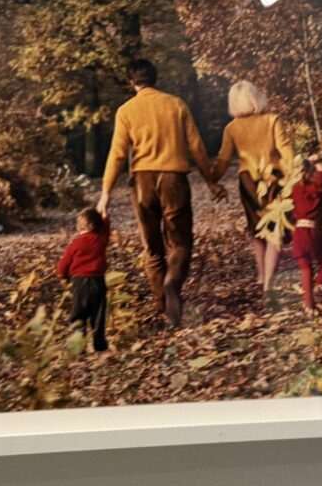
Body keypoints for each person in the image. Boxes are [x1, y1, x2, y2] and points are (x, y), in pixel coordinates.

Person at [97, 59, 224, 328]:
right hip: (174, 179)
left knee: (152, 247)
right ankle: (172, 283)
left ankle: (162, 304)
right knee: (180, 242)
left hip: (142, 182)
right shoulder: (176, 104)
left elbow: (117, 154)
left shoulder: (126, 110)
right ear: (155, 78)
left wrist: (106, 192)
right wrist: (210, 181)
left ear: (132, 82)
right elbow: (196, 147)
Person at [211, 80, 295, 293]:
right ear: (256, 97)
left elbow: (223, 160)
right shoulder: (272, 120)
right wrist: (293, 173)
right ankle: (268, 283)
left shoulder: (232, 128)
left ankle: (260, 275)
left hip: (247, 181)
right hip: (273, 178)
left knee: (256, 230)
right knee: (275, 230)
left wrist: (212, 179)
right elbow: (285, 150)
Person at [57, 207, 111, 351]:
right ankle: (99, 344)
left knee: (79, 313)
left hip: (80, 282)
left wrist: (63, 276)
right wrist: (105, 216)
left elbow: (64, 263)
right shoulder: (100, 240)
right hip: (98, 282)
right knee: (98, 314)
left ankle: (79, 344)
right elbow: (106, 231)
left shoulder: (75, 244)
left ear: (78, 227)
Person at [291, 154, 322, 313]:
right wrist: (319, 162)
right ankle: (319, 284)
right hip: (313, 231)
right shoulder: (313, 190)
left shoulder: (294, 190)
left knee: (306, 268)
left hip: (299, 232)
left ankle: (308, 305)